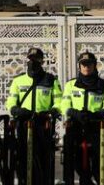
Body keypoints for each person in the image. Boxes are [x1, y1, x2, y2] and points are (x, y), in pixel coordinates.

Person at [6, 47, 62, 185]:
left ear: (42, 61)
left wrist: (53, 111)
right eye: (30, 59)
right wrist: (16, 110)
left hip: (43, 124)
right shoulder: (18, 80)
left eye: (36, 59)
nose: (33, 62)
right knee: (23, 158)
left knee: (44, 159)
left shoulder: (51, 80)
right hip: (24, 124)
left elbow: (59, 102)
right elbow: (11, 103)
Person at [60, 51, 104, 185]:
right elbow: (64, 105)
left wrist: (97, 113)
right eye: (83, 64)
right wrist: (74, 113)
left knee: (98, 162)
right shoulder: (70, 85)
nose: (86, 67)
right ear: (79, 66)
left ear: (95, 66)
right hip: (76, 125)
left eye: (89, 64)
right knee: (73, 159)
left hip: (96, 126)